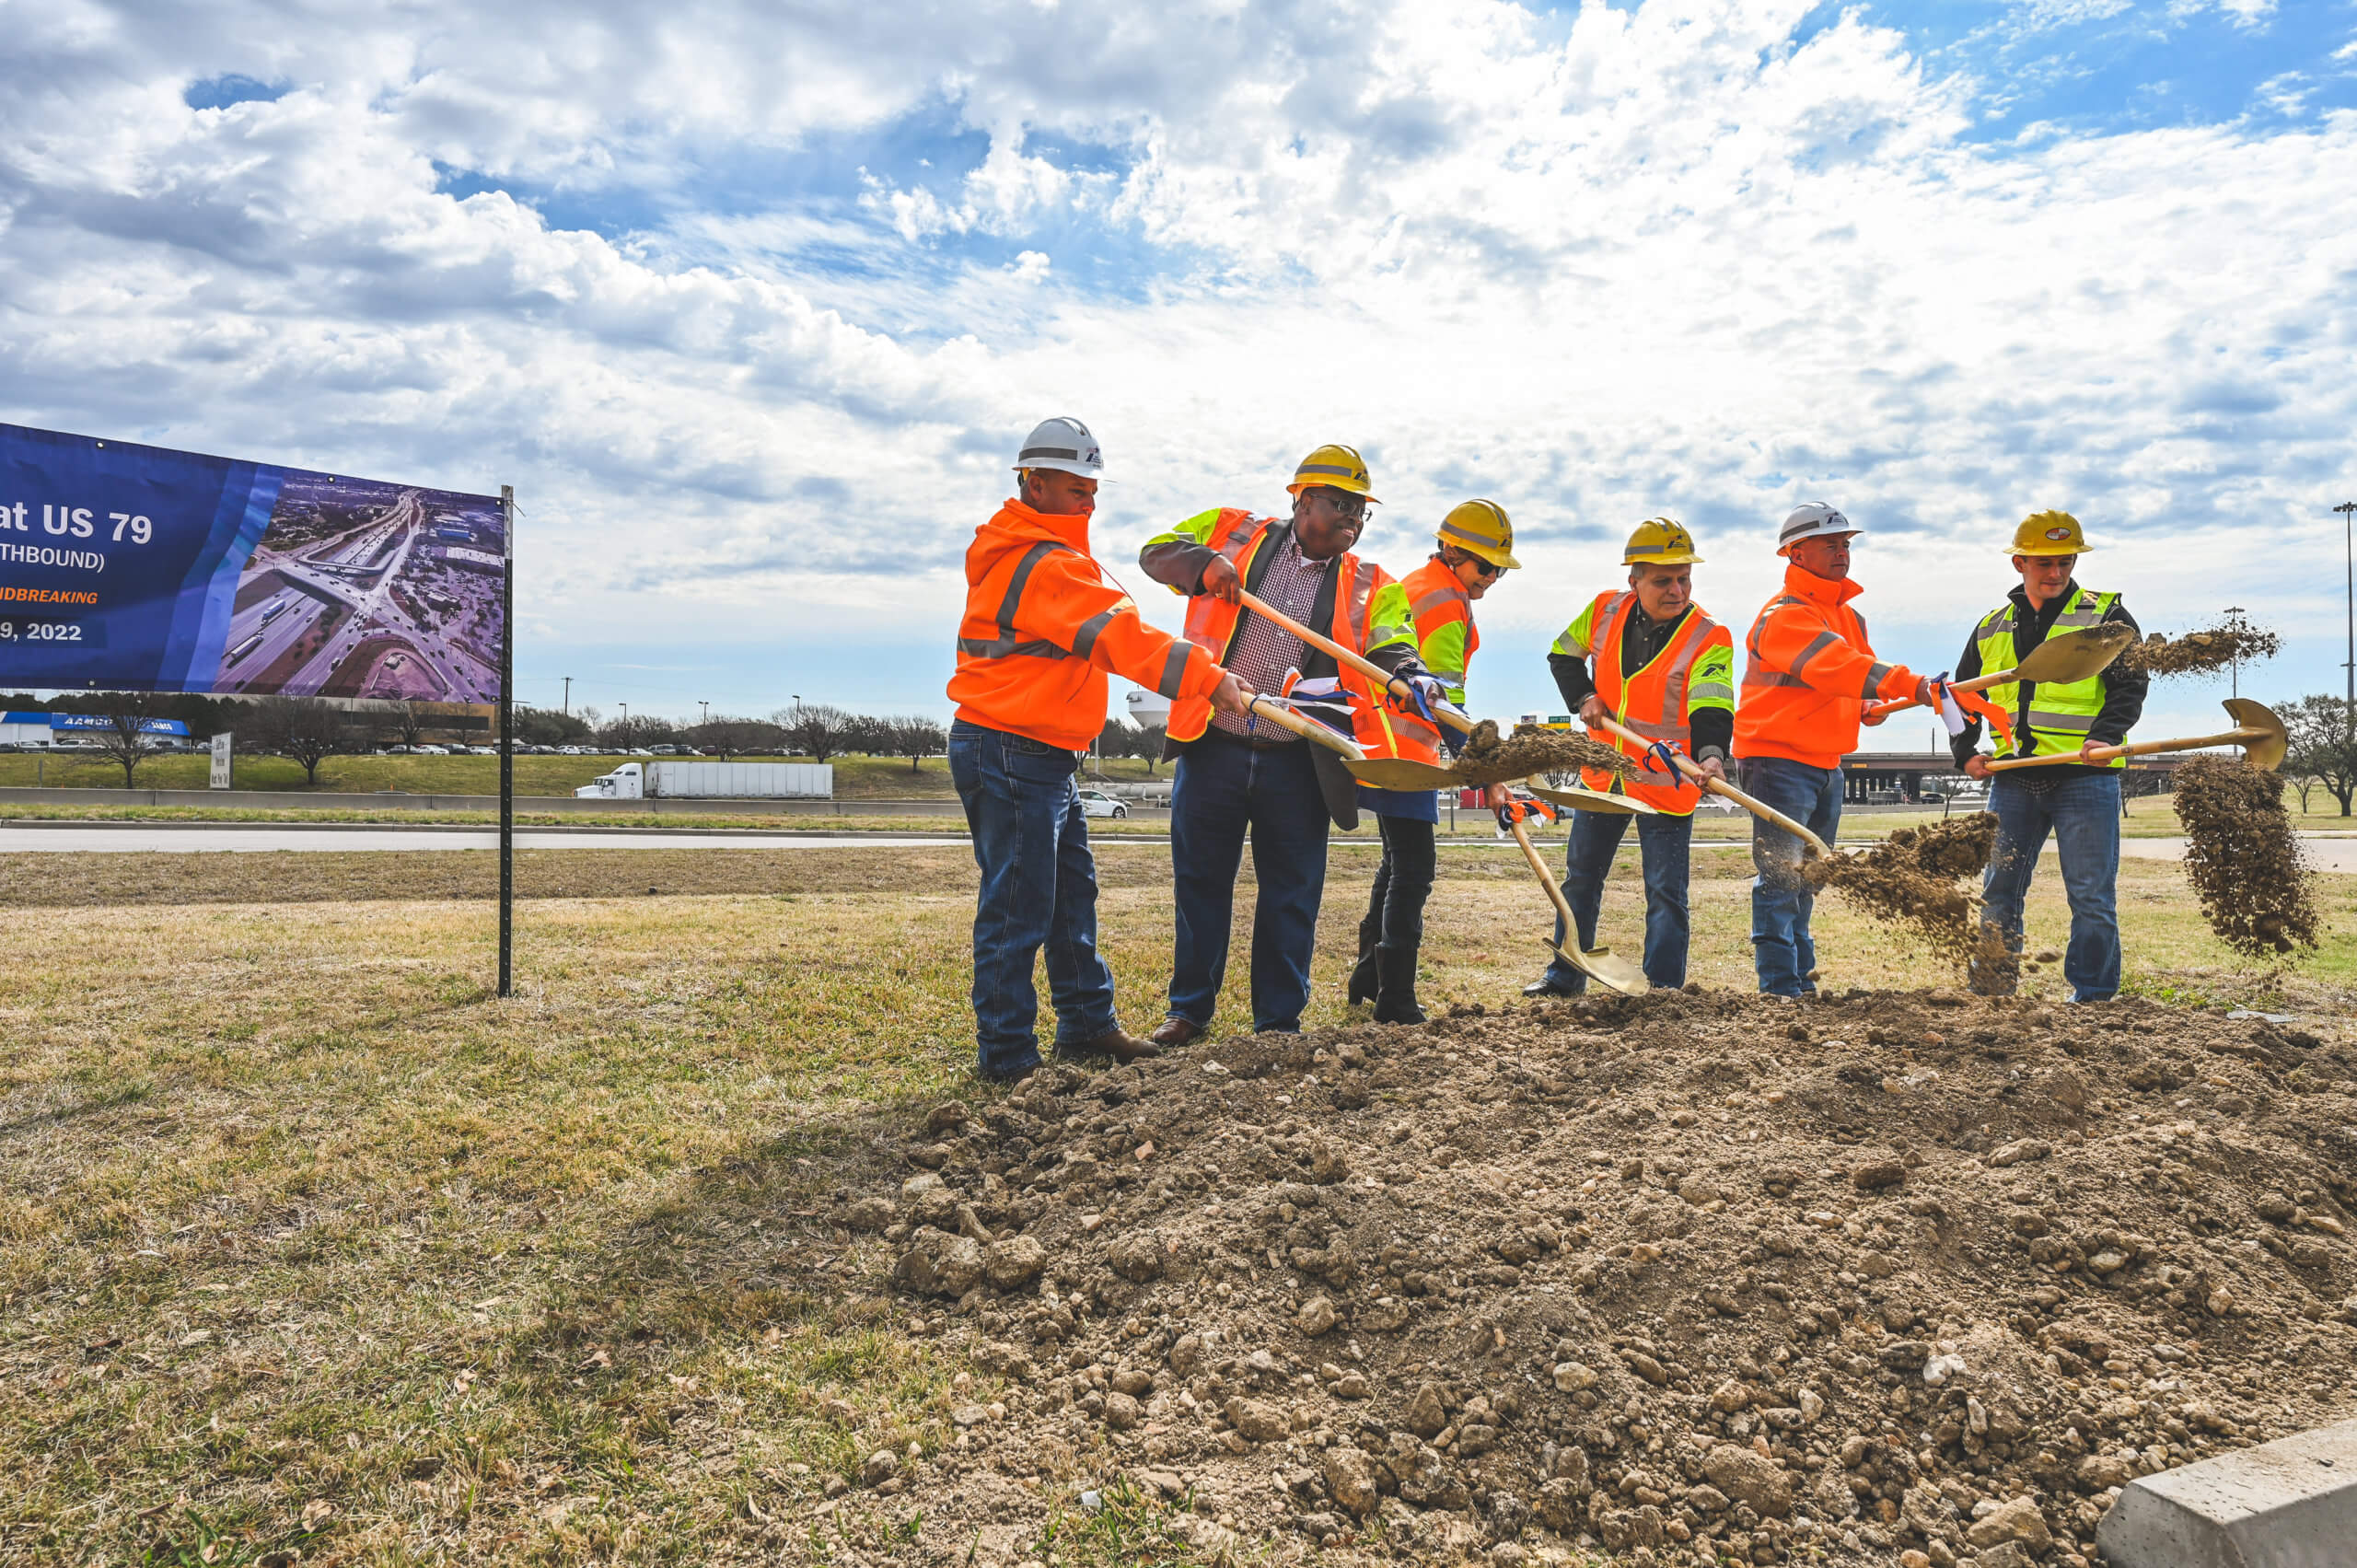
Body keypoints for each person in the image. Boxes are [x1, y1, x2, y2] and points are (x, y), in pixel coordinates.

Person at [946, 416, 1247, 1084]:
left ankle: (1086, 1023)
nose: (1090, 498)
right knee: (1019, 906)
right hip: (1009, 749)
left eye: (1094, 485)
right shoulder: (1038, 561)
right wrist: (1208, 677)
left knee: (1069, 898)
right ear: (1035, 481)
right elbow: (1123, 638)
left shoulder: (1053, 556)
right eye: (1077, 485)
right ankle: (1007, 1056)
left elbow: (1119, 631)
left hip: (1041, 754)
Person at [1138, 444, 1442, 1044]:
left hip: (1299, 761)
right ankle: (1189, 1012)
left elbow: (1393, 642)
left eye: (1361, 511)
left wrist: (1410, 672)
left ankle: (1277, 1023)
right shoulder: (1230, 530)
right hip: (1214, 744)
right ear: (1301, 500)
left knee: (1292, 895)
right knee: (1200, 884)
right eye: (1341, 505)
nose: (1353, 520)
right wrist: (1201, 565)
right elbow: (1155, 553)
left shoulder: (1370, 582)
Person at [1524, 518, 1734, 996]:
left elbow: (1712, 705)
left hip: (1665, 784)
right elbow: (1562, 654)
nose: (1677, 589)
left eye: (1684, 578)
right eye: (1663, 580)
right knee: (1580, 881)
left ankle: (1662, 990)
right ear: (1634, 580)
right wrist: (1584, 698)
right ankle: (1564, 975)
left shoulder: (1709, 635)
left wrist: (1712, 756)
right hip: (1603, 776)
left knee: (1665, 894)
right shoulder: (1603, 610)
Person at [1732, 502, 1934, 998]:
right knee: (1781, 881)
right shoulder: (1783, 617)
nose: (1842, 552)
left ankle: (1799, 980)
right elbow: (1838, 665)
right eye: (1830, 544)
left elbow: (1847, 681)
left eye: (1845, 544)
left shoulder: (1849, 616)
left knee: (1810, 879)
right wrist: (1912, 685)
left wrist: (1870, 704)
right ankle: (1781, 990)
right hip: (1777, 760)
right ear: (1794, 552)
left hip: (1826, 763)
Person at [1952, 510, 2146, 1002]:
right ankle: (1993, 990)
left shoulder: (2107, 617)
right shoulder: (1991, 626)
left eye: (2064, 561)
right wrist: (1965, 752)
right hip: (2013, 778)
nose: (2055, 572)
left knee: (2091, 896)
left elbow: (2129, 687)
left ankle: (2095, 997)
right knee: (1999, 891)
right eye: (2043, 563)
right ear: (2019, 563)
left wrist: (2106, 736)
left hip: (2086, 776)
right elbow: (1963, 696)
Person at [1346, 501, 1519, 1022]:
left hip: (1379, 744)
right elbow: (1444, 701)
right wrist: (1483, 772)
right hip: (1405, 752)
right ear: (1451, 551)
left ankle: (1369, 973)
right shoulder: (1443, 598)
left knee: (1396, 863)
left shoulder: (1419, 584)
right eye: (1485, 566)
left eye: (1498, 569)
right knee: (1415, 869)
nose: (1491, 578)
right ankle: (1395, 998)